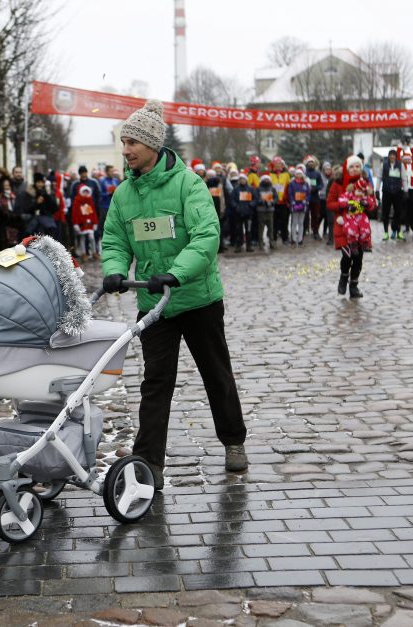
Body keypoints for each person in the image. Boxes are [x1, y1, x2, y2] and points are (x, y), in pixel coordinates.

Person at [100, 99, 247, 488]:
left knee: (216, 374)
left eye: (132, 142)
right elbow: (115, 239)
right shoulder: (123, 195)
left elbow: (206, 236)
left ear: (152, 145)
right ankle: (150, 463)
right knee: (156, 382)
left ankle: (234, 441)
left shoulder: (188, 184)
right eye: (123, 141)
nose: (126, 149)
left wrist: (176, 274)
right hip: (155, 306)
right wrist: (115, 270)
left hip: (197, 299)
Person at [329, 159, 376, 298]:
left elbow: (372, 204)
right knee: (348, 255)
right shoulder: (338, 183)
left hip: (360, 227)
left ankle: (354, 286)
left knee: (358, 258)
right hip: (343, 225)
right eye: (352, 167)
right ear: (346, 168)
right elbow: (330, 204)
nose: (355, 169)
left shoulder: (365, 184)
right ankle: (343, 277)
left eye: (357, 167)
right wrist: (345, 206)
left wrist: (363, 205)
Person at [230, 171, 257, 252]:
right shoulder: (235, 189)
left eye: (244, 179)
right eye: (241, 179)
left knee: (248, 230)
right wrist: (236, 207)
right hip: (238, 213)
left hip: (248, 213)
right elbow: (232, 200)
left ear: (246, 180)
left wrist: (251, 205)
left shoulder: (251, 189)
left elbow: (255, 198)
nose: (242, 181)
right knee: (239, 230)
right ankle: (239, 245)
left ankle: (249, 246)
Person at [70, 184, 99, 260]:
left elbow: (93, 213)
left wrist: (95, 222)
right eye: (84, 192)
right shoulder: (77, 201)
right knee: (82, 238)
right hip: (81, 223)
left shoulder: (90, 201)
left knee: (91, 237)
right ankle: (83, 254)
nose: (86, 193)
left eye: (87, 192)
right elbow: (75, 213)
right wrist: (76, 223)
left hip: (89, 223)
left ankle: (94, 252)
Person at [380, 149, 403, 241]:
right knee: (385, 213)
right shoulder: (384, 165)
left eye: (394, 155)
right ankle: (386, 232)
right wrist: (377, 190)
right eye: (391, 155)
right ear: (389, 156)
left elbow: (404, 178)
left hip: (397, 192)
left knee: (399, 212)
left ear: (396, 156)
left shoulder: (400, 165)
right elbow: (379, 177)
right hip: (386, 191)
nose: (392, 157)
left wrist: (405, 190)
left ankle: (399, 231)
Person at [399, 153, 413, 240]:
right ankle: (400, 230)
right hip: (403, 191)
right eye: (406, 159)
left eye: (409, 159)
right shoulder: (401, 168)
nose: (408, 161)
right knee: (403, 212)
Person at [288, 168, 310, 246]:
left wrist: (305, 201)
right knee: (294, 222)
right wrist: (292, 202)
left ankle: (300, 239)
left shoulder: (305, 183)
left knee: (301, 223)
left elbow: (308, 194)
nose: (298, 175)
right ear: (295, 175)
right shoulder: (292, 183)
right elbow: (290, 193)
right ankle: (293, 238)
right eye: (297, 174)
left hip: (303, 205)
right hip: (295, 205)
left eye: (300, 174)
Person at [304, 156, 323, 241]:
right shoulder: (304, 173)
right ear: (307, 164)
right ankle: (304, 231)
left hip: (315, 197)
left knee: (315, 215)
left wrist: (315, 188)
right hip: (306, 197)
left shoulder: (317, 173)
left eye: (312, 162)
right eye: (309, 162)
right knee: (305, 215)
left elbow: (321, 184)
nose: (311, 164)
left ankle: (315, 232)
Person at [256, 175, 276, 253]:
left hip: (270, 210)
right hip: (261, 210)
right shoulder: (258, 189)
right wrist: (262, 201)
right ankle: (260, 243)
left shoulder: (272, 188)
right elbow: (256, 198)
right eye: (265, 179)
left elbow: (276, 198)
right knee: (261, 228)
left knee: (271, 227)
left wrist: (272, 202)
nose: (266, 181)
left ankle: (271, 242)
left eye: (268, 179)